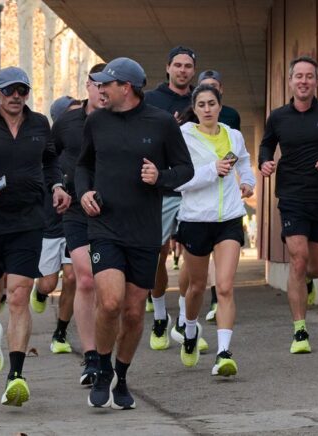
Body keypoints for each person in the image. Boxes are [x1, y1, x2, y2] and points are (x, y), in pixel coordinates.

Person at [77, 57, 193, 409]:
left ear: (125, 88)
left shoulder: (160, 123)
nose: (99, 89)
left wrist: (161, 177)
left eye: (105, 85)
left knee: (131, 311)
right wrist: (83, 192)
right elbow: (83, 164)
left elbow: (185, 169)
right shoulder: (96, 121)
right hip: (105, 226)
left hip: (144, 231)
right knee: (109, 302)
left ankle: (121, 376)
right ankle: (99, 368)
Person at [0, 66, 68, 407]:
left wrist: (56, 185)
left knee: (20, 294)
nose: (15, 96)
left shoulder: (40, 123)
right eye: (9, 90)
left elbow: (51, 161)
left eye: (21, 90)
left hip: (29, 219)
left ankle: (16, 375)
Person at [259, 56, 318, 354]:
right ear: (290, 81)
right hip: (291, 197)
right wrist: (264, 161)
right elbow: (266, 144)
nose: (303, 81)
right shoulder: (278, 117)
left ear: (316, 81)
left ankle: (309, 283)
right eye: (298, 76)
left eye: (309, 76)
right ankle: (300, 331)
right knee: (298, 259)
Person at [174, 84, 256, 376]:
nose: (207, 109)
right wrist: (213, 171)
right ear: (194, 110)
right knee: (196, 287)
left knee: (224, 286)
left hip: (230, 219)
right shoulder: (184, 137)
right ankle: (190, 328)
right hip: (196, 220)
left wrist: (247, 181)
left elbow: (244, 161)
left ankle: (224, 353)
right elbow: (178, 180)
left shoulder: (233, 135)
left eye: (212, 103)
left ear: (220, 106)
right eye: (201, 105)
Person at [144, 46, 205, 352]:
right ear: (167, 67)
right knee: (158, 253)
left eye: (188, 66)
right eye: (178, 65)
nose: (183, 70)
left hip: (193, 188)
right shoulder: (152, 100)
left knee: (194, 258)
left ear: (194, 71)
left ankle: (184, 317)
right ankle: (158, 316)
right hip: (161, 189)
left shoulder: (200, 101)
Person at [48, 66, 106, 385]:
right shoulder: (67, 122)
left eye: (110, 85)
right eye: (98, 85)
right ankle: (91, 357)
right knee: (84, 279)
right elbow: (50, 158)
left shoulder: (122, 120)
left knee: (111, 290)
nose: (103, 90)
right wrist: (57, 186)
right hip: (75, 209)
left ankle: (106, 350)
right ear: (88, 86)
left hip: (114, 211)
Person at [29, 95, 81, 355]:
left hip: (76, 222)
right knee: (49, 284)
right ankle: (39, 292)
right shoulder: (46, 149)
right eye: (71, 114)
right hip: (50, 224)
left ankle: (60, 332)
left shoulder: (85, 144)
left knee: (72, 278)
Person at [197, 69, 242, 322]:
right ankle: (187, 319)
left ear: (220, 92)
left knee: (224, 274)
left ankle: (217, 299)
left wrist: (242, 179)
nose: (207, 107)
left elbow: (238, 152)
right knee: (194, 281)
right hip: (198, 206)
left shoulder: (232, 119)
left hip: (227, 202)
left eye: (213, 89)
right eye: (202, 100)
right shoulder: (188, 129)